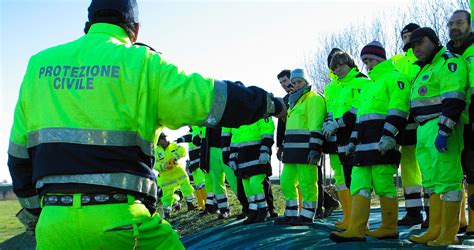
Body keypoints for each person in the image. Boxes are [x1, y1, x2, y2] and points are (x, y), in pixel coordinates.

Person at [7, 0, 285, 248]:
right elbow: (210, 98)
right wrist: (271, 103)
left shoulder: (38, 66)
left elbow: (18, 157)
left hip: (54, 228)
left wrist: (40, 216)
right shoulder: (142, 63)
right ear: (135, 30)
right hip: (123, 224)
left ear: (88, 25)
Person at [330, 41, 410, 242]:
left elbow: (399, 109)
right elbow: (360, 120)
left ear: (381, 58)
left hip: (383, 144)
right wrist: (352, 142)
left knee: (383, 184)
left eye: (371, 59)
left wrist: (389, 135)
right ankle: (357, 229)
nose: (368, 64)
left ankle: (389, 227)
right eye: (365, 60)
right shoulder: (369, 86)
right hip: (362, 148)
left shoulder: (395, 78)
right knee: (359, 184)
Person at [406, 27, 468, 246]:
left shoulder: (448, 63)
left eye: (420, 43)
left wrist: (444, 130)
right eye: (412, 47)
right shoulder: (423, 69)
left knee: (448, 181)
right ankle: (435, 229)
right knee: (432, 183)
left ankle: (449, 233)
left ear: (432, 40)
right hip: (424, 130)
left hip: (440, 126)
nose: (416, 49)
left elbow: (454, 99)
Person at [323, 49, 369, 229]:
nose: (338, 69)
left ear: (350, 63)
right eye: (335, 67)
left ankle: (360, 224)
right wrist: (330, 125)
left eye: (341, 65)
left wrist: (337, 123)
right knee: (349, 179)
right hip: (341, 137)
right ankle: (353, 221)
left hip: (358, 136)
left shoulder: (360, 82)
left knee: (359, 180)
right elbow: (333, 111)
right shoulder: (339, 87)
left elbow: (358, 109)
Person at [274, 68, 326, 225]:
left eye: (299, 82)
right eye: (294, 82)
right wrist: (282, 146)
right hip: (291, 152)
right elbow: (289, 128)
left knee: (307, 182)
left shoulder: (314, 99)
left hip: (306, 150)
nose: (296, 85)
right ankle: (291, 213)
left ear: (306, 82)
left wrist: (315, 149)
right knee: (286, 182)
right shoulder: (292, 102)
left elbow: (315, 125)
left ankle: (308, 215)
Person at [392, 23, 427, 227]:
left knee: (427, 164)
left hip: (423, 117)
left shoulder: (426, 58)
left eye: (411, 35)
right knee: (408, 166)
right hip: (403, 120)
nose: (407, 39)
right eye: (404, 36)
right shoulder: (397, 61)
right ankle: (414, 212)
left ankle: (433, 212)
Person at [447, 9, 474, 235]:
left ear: (469, 24)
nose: (454, 27)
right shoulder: (451, 56)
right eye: (450, 24)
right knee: (460, 172)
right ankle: (462, 221)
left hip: (472, 119)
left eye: (459, 22)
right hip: (458, 123)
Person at [229, 118, 275, 224]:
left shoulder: (261, 114)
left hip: (258, 157)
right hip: (243, 159)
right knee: (247, 186)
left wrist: (265, 150)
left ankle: (264, 210)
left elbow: (267, 131)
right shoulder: (238, 118)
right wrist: (232, 157)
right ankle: (253, 211)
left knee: (255, 183)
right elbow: (234, 139)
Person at [154, 133, 195, 218]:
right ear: (158, 141)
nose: (165, 140)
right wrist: (164, 165)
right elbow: (154, 164)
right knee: (167, 195)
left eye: (165, 138)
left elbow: (182, 150)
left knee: (186, 187)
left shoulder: (173, 145)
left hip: (179, 172)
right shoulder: (156, 151)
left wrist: (173, 158)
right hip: (166, 177)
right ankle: (167, 212)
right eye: (162, 139)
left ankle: (190, 204)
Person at [176, 126, 207, 210]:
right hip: (193, 164)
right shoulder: (191, 131)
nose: (188, 124)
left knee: (202, 183)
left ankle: (208, 204)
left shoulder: (198, 129)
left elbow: (189, 138)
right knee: (197, 185)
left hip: (199, 162)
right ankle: (202, 205)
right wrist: (179, 139)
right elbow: (188, 137)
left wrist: (180, 139)